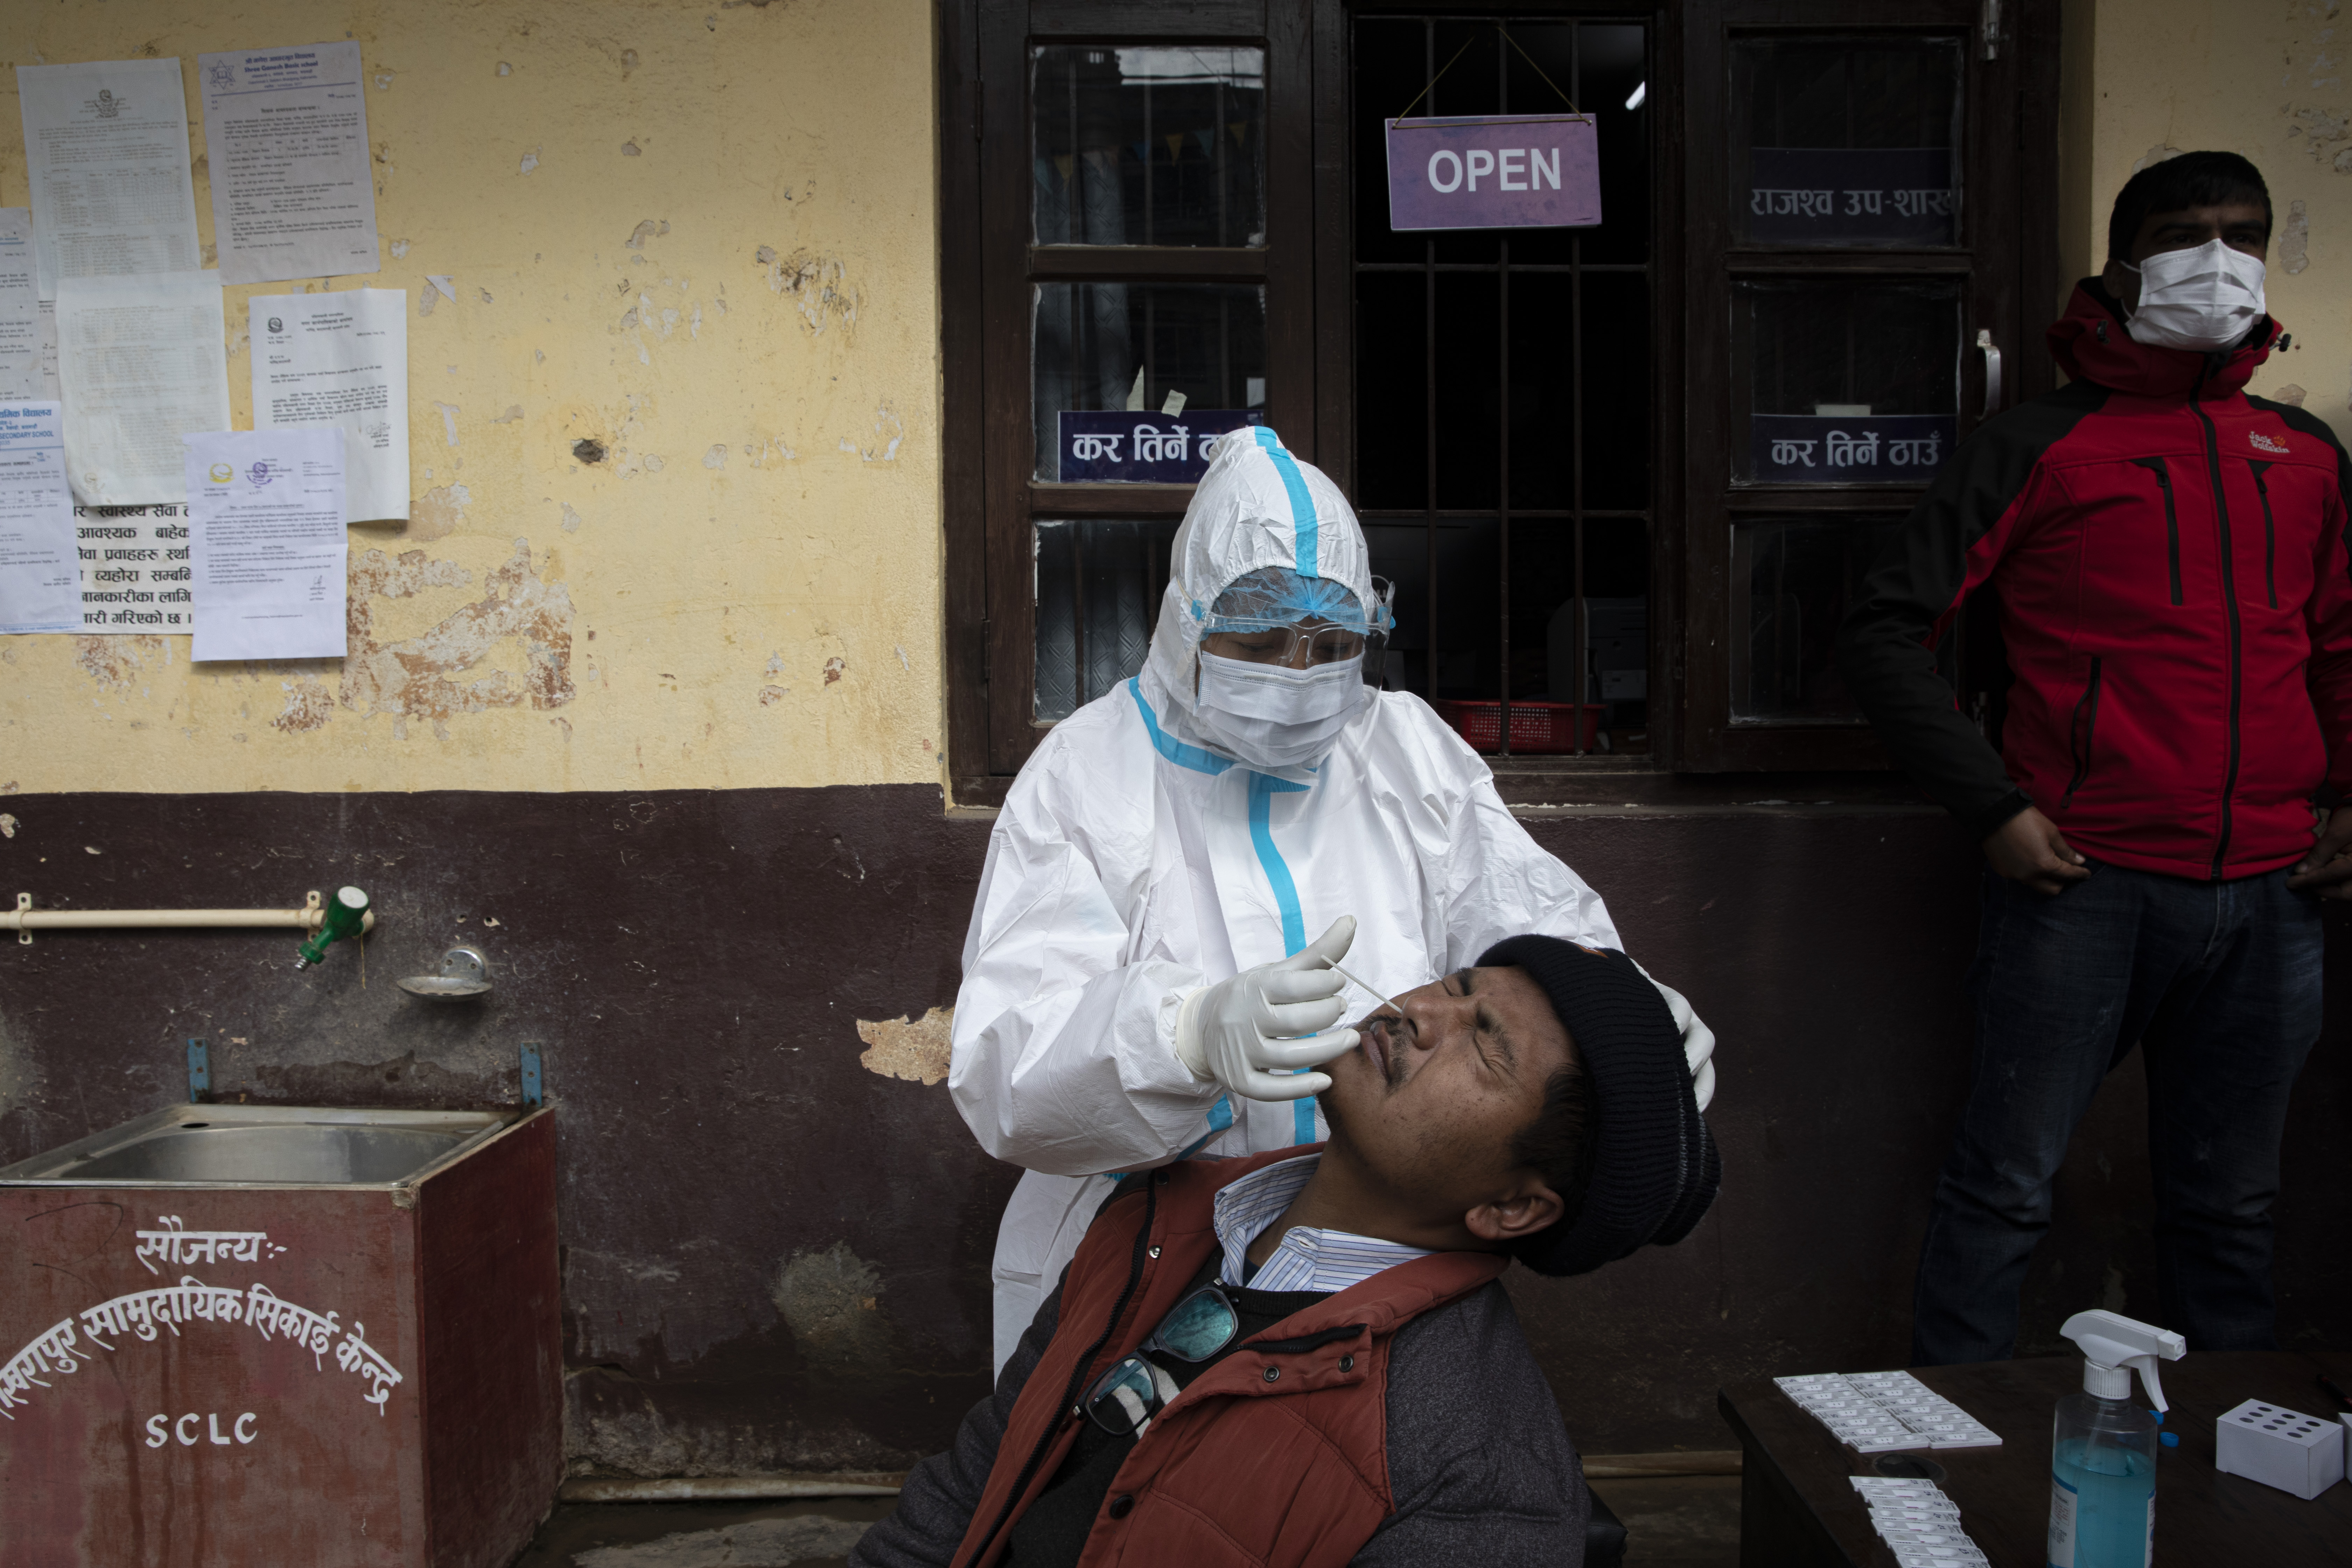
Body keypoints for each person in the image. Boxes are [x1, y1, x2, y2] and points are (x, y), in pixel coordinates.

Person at [953, 427, 1717, 1368]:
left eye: (1331, 643)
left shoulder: (1403, 750)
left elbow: (1527, 925)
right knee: (1117, 1489)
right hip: (1133, 1252)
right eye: (1260, 640)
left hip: (1377, 1248)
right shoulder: (1089, 773)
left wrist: (1621, 1004)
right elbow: (1008, 1074)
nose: (1297, 675)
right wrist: (1181, 1037)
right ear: (1187, 619)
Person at [1837, 151, 2352, 1366]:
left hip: (2275, 893)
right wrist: (1994, 809)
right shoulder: (2039, 445)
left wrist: (2346, 799)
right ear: (2125, 264)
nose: (2218, 260)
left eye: (2243, 234)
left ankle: (2234, 1478)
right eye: (2185, 236)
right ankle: (1948, 1467)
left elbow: (2335, 645)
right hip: (2085, 884)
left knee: (2233, 1211)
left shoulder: (2305, 452)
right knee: (2005, 1188)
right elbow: (1884, 631)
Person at [855, 936, 1721, 1568]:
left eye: (1484, 1044)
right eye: (1455, 984)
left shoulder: (1476, 1474)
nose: (1421, 1011)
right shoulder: (1156, 1223)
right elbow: (976, 1484)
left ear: (1514, 1205)